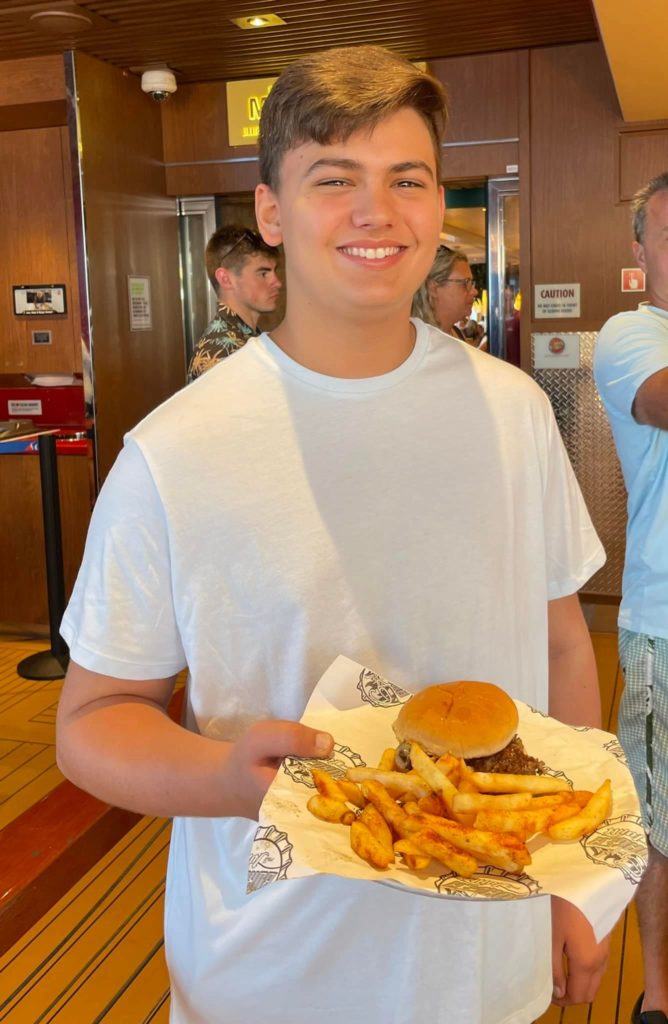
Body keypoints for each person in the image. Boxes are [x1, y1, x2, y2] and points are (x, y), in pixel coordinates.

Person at [56, 45, 611, 1024]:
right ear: (270, 212)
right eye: (332, 180)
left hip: (481, 961)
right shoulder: (174, 450)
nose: (375, 211)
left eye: (406, 179)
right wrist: (225, 777)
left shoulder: (512, 410)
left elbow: (561, 642)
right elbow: (93, 723)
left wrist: (576, 879)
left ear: (438, 204)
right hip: (270, 975)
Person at [593, 172, 668, 1024]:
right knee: (660, 826)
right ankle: (659, 994)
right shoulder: (629, 334)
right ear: (640, 250)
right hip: (662, 629)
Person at [186, 224, 281, 380]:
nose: (277, 282)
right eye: (263, 273)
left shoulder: (248, 340)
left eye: (274, 271)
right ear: (226, 279)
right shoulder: (221, 352)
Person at [411, 243, 486, 347]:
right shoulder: (416, 344)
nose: (474, 292)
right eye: (465, 283)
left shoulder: (456, 332)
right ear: (434, 288)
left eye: (471, 283)